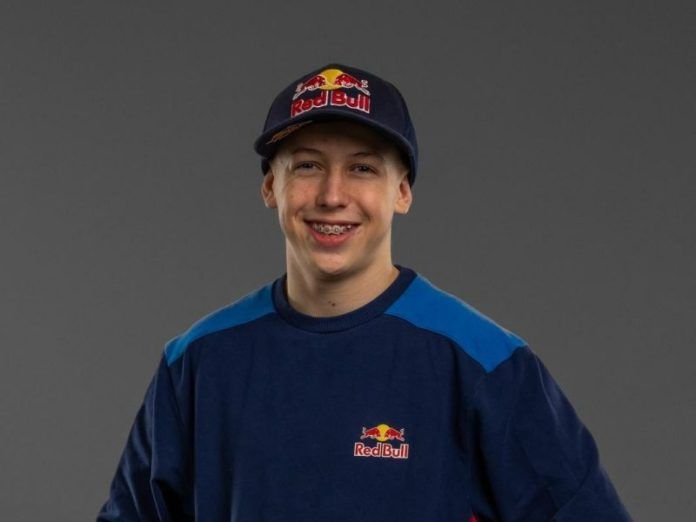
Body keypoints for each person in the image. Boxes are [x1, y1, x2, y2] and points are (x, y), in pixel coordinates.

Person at [97, 63, 632, 521]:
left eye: (362, 168)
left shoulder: (485, 363)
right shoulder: (197, 362)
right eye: (307, 165)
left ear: (402, 192)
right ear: (271, 187)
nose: (333, 195)